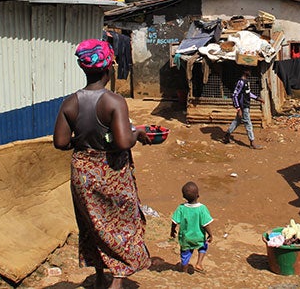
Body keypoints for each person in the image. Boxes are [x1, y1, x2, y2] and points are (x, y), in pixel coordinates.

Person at [53, 39, 151, 289]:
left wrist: (83, 140)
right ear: (108, 69)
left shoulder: (70, 103)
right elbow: (122, 141)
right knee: (123, 220)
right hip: (112, 171)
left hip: (83, 173)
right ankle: (117, 278)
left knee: (92, 223)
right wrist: (138, 133)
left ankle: (99, 275)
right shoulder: (113, 101)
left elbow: (61, 142)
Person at [170, 181, 214, 274]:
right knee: (203, 246)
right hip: (199, 237)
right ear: (198, 195)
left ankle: (184, 268)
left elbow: (174, 221)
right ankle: (199, 263)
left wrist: (172, 230)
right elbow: (206, 224)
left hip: (186, 238)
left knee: (185, 253)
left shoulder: (181, 208)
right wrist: (210, 235)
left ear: (184, 197)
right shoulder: (202, 209)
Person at [223, 68, 264, 149]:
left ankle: (226, 135)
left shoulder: (246, 82)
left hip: (246, 105)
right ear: (245, 72)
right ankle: (252, 142)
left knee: (237, 121)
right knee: (248, 123)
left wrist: (257, 98)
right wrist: (238, 108)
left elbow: (248, 93)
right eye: (249, 70)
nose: (250, 72)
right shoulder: (240, 82)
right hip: (243, 107)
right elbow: (234, 95)